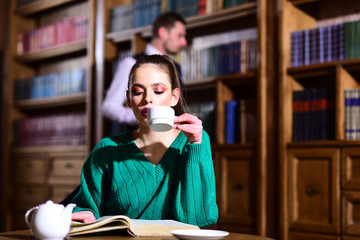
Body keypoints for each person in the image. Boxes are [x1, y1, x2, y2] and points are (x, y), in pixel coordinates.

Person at [70, 55, 218, 228]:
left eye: (158, 91)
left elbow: (198, 220)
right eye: (138, 92)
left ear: (174, 97)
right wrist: (80, 214)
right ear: (128, 99)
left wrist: (195, 146)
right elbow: (85, 209)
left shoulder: (194, 142)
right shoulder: (107, 149)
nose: (147, 99)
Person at [102, 11, 187, 125]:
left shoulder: (178, 69)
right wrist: (142, 115)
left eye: (158, 91)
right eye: (179, 35)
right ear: (162, 32)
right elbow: (108, 107)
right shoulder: (130, 63)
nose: (184, 42)